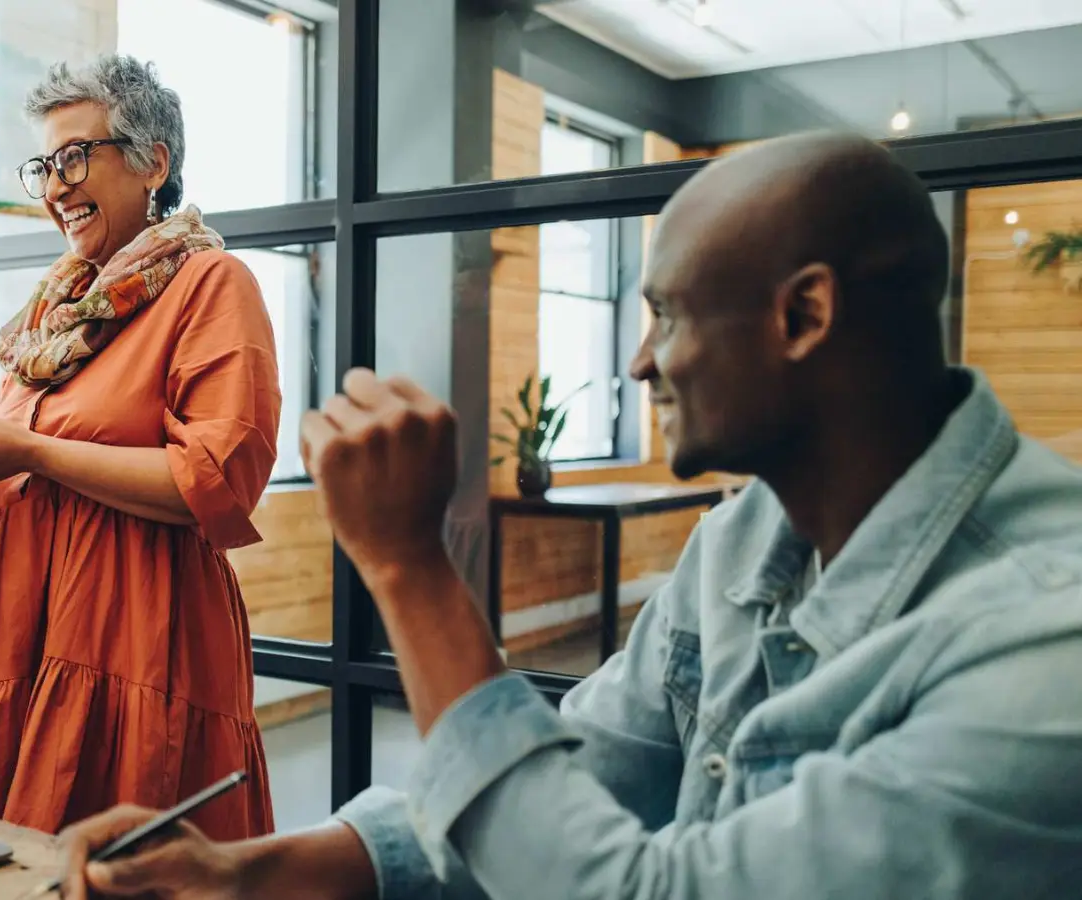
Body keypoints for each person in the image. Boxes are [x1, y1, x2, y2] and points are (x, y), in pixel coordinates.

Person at [55, 131, 1082, 898]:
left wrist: (410, 570)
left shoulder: (1042, 646)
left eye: (667, 314)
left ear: (803, 316)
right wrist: (249, 870)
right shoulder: (741, 537)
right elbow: (573, 775)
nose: (639, 360)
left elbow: (625, 889)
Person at [0, 54, 279, 840]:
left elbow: (214, 482)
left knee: (125, 865)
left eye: (76, 155)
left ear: (154, 162)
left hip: (137, 645)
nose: (54, 186)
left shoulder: (211, 284)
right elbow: (5, 502)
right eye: (44, 165)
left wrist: (30, 450)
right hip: (16, 640)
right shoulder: (53, 315)